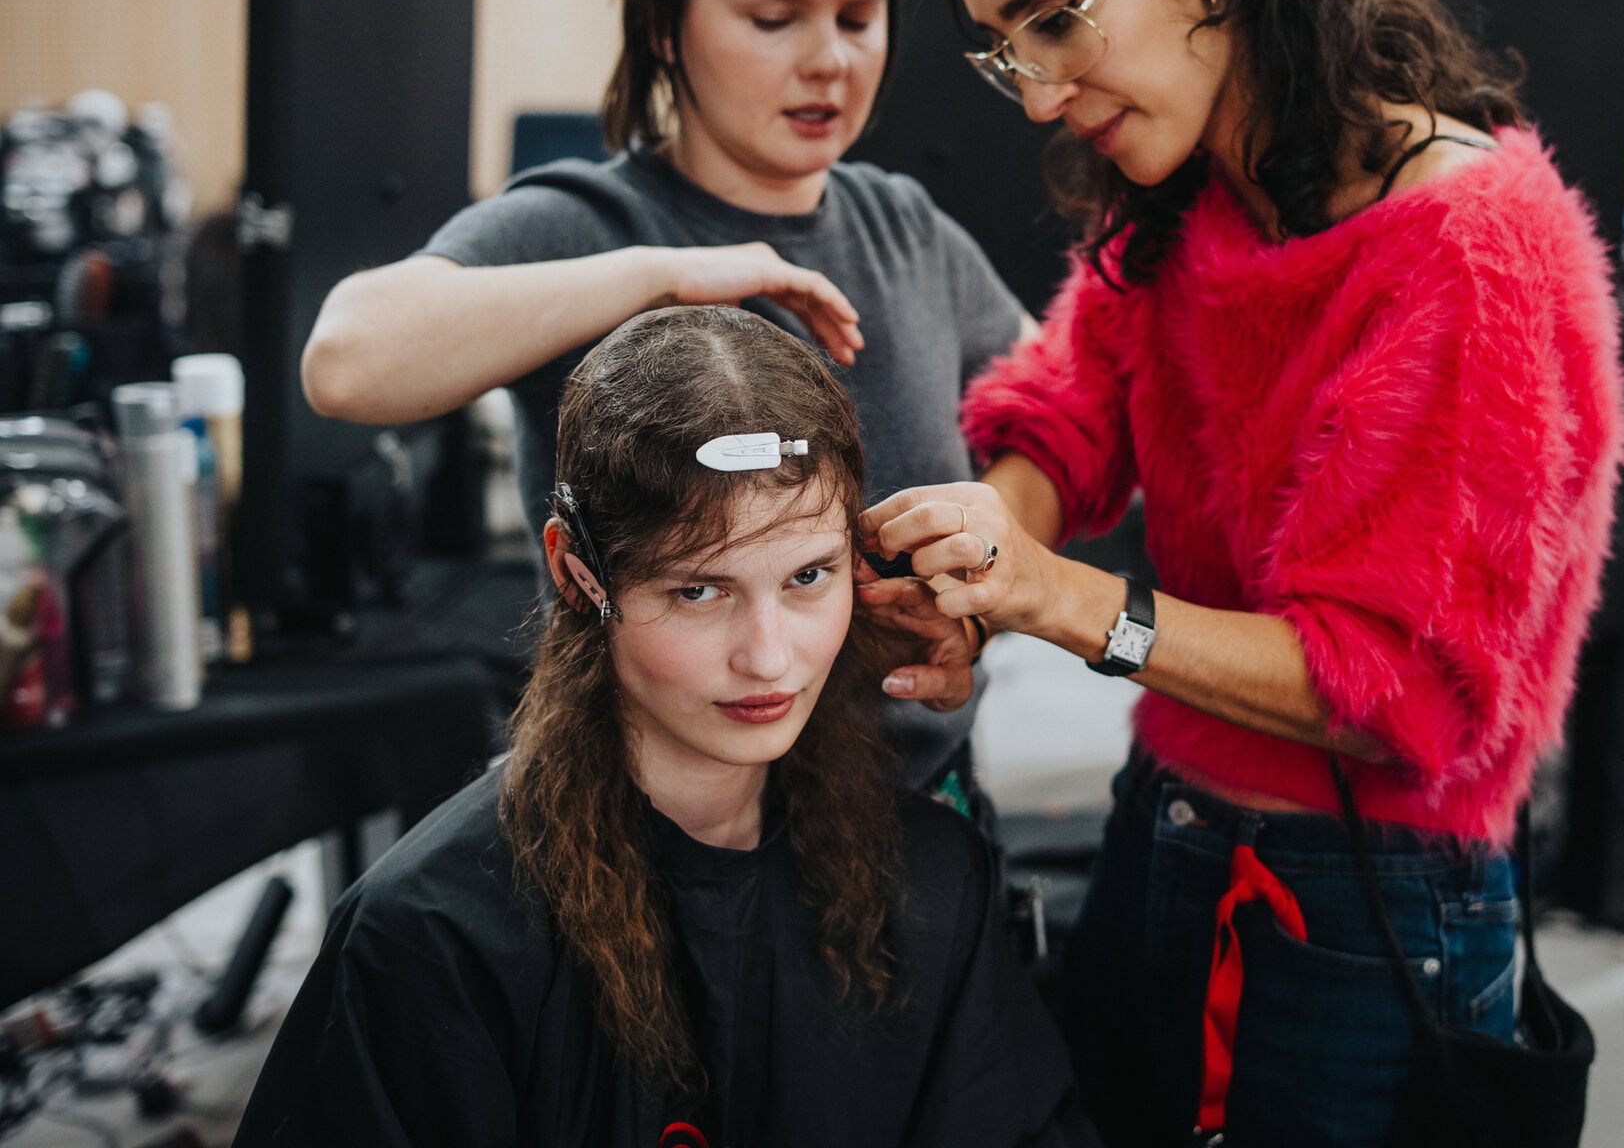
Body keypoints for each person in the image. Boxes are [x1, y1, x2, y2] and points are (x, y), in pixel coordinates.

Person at [856, 0, 1624, 1144]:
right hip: (1170, 836)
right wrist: (991, 541)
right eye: (1001, 47)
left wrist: (1062, 601)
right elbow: (1066, 406)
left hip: (1364, 909)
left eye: (1055, 22)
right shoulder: (1201, 193)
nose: (1035, 95)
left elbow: (1391, 691)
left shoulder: (1469, 251)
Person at [236, 305, 1097, 1147]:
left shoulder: (933, 882)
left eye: (807, 576)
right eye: (699, 590)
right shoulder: (434, 939)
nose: (769, 658)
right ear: (578, 576)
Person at [300, 0, 1028, 802]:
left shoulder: (904, 226)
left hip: (916, 812)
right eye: (774, 19)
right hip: (665, 834)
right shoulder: (584, 221)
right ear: (661, 25)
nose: (829, 61)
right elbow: (345, 359)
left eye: (858, 18)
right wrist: (660, 275)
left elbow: (1066, 421)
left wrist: (983, 588)